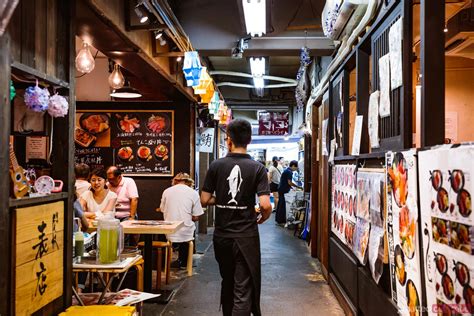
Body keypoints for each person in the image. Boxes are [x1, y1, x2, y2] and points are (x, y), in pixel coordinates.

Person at [201, 118, 272, 316]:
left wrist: (222, 198)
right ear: (249, 140)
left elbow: (204, 199)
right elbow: (265, 204)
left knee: (228, 280)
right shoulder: (257, 168)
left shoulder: (216, 165)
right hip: (246, 236)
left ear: (228, 139)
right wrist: (264, 216)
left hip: (222, 236)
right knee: (243, 287)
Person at [159, 172, 204, 269]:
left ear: (175, 180)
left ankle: (167, 263)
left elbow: (162, 209)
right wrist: (188, 215)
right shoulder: (193, 193)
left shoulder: (166, 191)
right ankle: (184, 263)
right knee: (188, 230)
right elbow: (196, 216)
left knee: (170, 230)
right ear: (188, 181)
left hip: (169, 231)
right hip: (186, 233)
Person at [275, 160, 302, 225]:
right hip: (283, 190)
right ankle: (281, 221)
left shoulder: (286, 170)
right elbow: (289, 182)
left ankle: (278, 220)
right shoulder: (289, 172)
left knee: (280, 204)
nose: (296, 169)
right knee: (282, 205)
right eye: (296, 167)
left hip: (281, 189)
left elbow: (287, 182)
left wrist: (292, 187)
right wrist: (298, 187)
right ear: (293, 166)